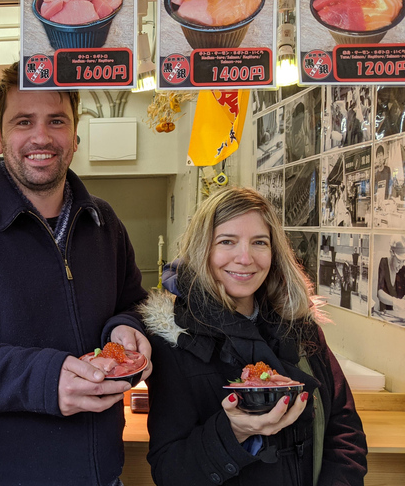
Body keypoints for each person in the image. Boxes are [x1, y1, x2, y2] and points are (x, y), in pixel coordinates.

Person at [0, 62, 151, 486]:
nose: (41, 137)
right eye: (23, 121)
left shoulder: (104, 222)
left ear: (75, 135)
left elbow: (133, 304)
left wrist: (125, 329)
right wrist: (44, 380)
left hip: (103, 474)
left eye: (57, 121)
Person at [141, 187, 367, 486]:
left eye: (259, 242)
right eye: (227, 242)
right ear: (201, 250)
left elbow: (345, 431)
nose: (245, 258)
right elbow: (170, 470)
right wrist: (235, 432)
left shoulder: (300, 327)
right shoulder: (175, 342)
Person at [377, 235, 405, 312]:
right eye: (399, 261)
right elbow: (380, 293)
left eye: (404, 261)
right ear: (391, 253)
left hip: (399, 315)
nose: (401, 265)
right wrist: (397, 303)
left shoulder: (403, 268)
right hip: (385, 313)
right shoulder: (384, 263)